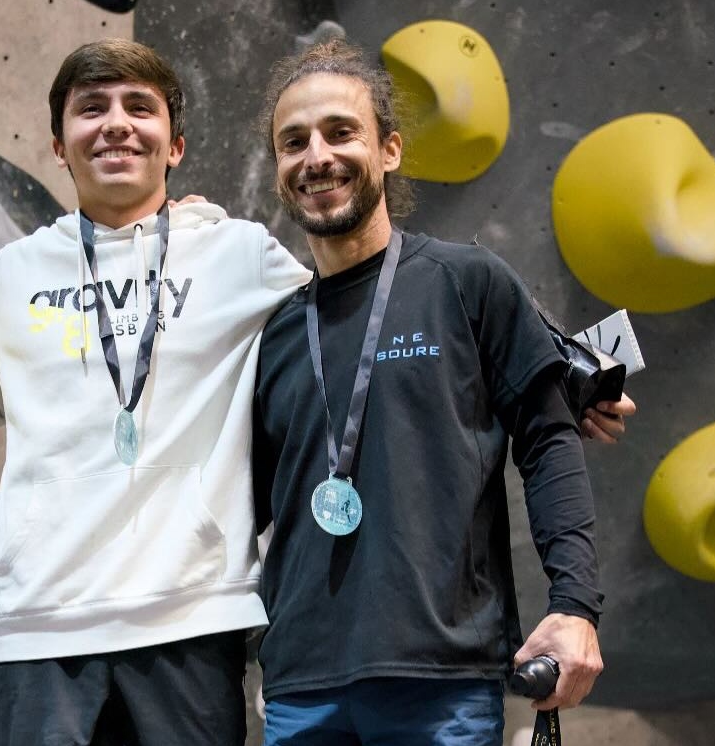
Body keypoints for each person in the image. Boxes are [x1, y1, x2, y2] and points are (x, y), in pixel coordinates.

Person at [250, 39, 608, 745]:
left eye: (339, 132)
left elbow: (548, 441)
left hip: (440, 678)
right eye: (293, 142)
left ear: (389, 150)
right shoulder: (278, 332)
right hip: (298, 685)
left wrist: (575, 605)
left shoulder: (464, 282)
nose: (316, 155)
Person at [0, 39, 312, 745]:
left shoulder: (239, 254)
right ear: (60, 147)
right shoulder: (11, 274)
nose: (116, 123)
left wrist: (570, 375)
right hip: (36, 625)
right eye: (90, 109)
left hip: (190, 614)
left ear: (176, 145)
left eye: (139, 107)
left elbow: (368, 312)